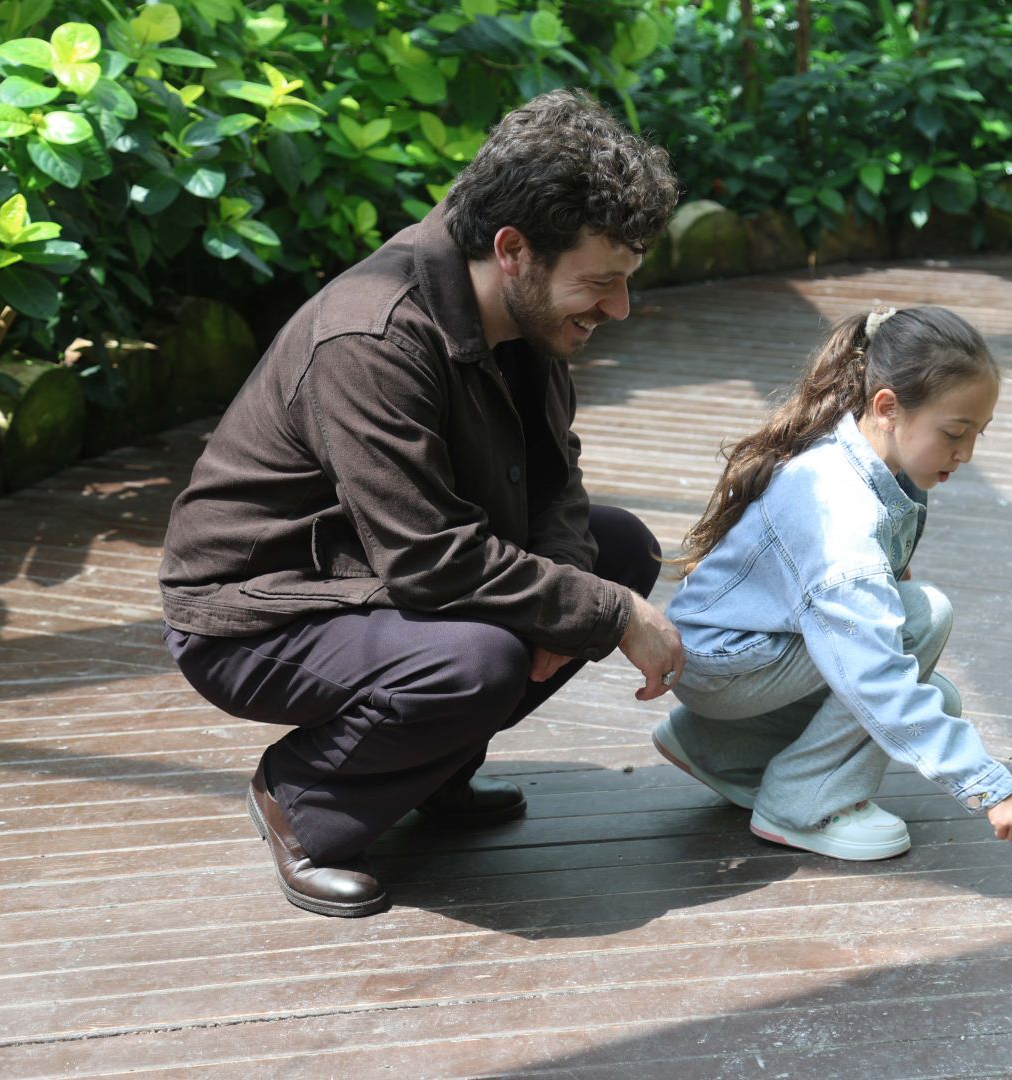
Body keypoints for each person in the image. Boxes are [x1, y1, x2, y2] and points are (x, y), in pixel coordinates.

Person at [157, 90, 684, 918]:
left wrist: (585, 600)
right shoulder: (372, 336)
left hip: (377, 573)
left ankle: (429, 772)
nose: (617, 309)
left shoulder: (529, 316)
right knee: (478, 661)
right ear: (514, 249)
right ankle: (300, 801)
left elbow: (557, 485)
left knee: (618, 549)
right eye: (602, 283)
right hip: (258, 612)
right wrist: (607, 616)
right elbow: (428, 560)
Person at [655, 306, 1012, 860]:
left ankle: (717, 747)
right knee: (923, 616)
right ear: (887, 407)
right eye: (955, 432)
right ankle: (802, 803)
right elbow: (872, 673)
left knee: (937, 695)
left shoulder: (874, 457)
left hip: (726, 656)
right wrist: (991, 787)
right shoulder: (840, 514)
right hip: (730, 666)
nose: (967, 453)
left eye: (978, 434)